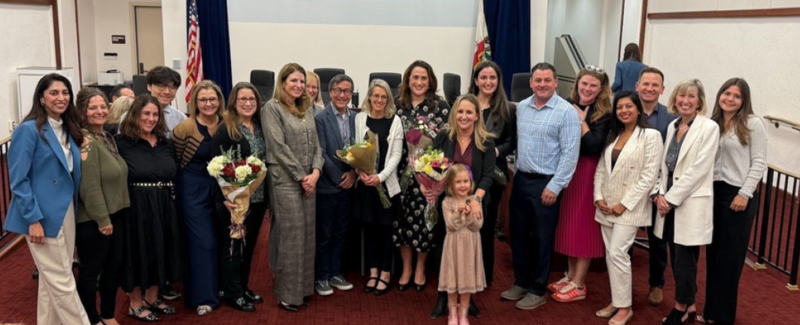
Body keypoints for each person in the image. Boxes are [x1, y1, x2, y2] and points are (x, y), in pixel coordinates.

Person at [4, 73, 90, 325]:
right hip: (41, 215)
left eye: (65, 93)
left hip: (67, 210)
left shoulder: (68, 127)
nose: (61, 98)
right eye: (54, 93)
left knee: (51, 280)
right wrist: (33, 219)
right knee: (62, 279)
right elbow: (18, 181)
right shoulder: (28, 130)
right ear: (41, 98)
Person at [501, 62, 580, 310]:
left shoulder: (566, 112)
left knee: (542, 239)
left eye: (547, 80)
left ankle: (537, 288)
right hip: (522, 179)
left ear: (556, 82)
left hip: (547, 183)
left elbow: (570, 154)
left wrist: (555, 186)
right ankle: (521, 281)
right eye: (538, 80)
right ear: (531, 83)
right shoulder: (521, 108)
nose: (542, 85)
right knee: (518, 235)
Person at [698, 78, 767, 325]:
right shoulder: (712, 123)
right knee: (714, 255)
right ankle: (710, 312)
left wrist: (744, 193)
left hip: (739, 195)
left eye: (736, 96)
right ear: (719, 95)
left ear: (744, 100)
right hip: (713, 192)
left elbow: (759, 162)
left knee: (730, 259)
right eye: (727, 93)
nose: (730, 99)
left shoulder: (752, 123)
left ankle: (723, 317)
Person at [593, 91, 663, 325]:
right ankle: (617, 300)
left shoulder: (650, 136)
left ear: (638, 109)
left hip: (629, 207)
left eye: (629, 106)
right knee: (610, 256)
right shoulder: (614, 134)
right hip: (607, 205)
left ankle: (625, 308)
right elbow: (601, 169)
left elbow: (649, 176)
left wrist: (625, 204)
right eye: (619, 107)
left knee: (618, 253)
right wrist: (598, 198)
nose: (624, 110)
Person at [653, 79, 719, 325]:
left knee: (685, 259)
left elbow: (699, 169)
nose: (685, 101)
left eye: (691, 97)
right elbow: (665, 167)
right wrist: (659, 194)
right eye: (681, 96)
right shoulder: (672, 126)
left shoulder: (709, 128)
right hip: (668, 200)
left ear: (699, 101)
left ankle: (680, 305)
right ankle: (689, 303)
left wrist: (669, 198)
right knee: (675, 256)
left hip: (689, 201)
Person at [262, 63, 323, 312]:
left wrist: (316, 172)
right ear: (283, 83)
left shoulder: (306, 108)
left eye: (301, 81)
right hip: (286, 182)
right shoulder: (272, 109)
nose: (298, 86)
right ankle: (287, 294)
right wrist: (302, 177)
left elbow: (318, 146)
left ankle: (302, 289)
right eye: (293, 81)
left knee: (307, 235)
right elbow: (278, 147)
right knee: (290, 236)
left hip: (309, 181)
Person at [551, 65, 613, 302]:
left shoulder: (605, 112)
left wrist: (582, 123)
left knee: (583, 226)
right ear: (577, 83)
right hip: (568, 170)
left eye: (593, 85)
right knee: (569, 224)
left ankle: (579, 283)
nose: (587, 89)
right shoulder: (566, 103)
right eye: (584, 84)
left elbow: (593, 146)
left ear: (601, 88)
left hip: (588, 173)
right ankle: (570, 275)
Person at [117, 94, 182, 321]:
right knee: (137, 250)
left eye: (155, 114)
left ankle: (153, 297)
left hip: (164, 203)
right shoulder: (122, 143)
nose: (151, 118)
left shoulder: (166, 143)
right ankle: (135, 303)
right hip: (136, 206)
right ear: (135, 114)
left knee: (160, 247)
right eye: (146, 113)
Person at [431, 94, 496, 318]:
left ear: (477, 115)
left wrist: (474, 200)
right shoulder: (443, 136)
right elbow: (432, 167)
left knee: (472, 250)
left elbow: (488, 176)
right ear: (454, 114)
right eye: (460, 111)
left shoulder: (486, 141)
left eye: (469, 112)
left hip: (475, 201)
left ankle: (469, 297)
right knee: (443, 248)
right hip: (446, 202)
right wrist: (428, 187)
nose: (464, 116)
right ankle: (443, 296)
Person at [393, 60, 450, 300]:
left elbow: (447, 141)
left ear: (430, 81)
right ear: (407, 80)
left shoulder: (441, 107)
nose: (418, 82)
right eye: (415, 77)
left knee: (425, 222)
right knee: (402, 221)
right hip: (399, 173)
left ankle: (420, 268)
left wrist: (432, 175)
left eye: (423, 78)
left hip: (428, 175)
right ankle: (406, 268)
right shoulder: (397, 106)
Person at [75, 87, 130, 325]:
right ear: (82, 112)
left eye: (103, 106)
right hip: (94, 219)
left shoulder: (105, 136)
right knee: (90, 272)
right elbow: (89, 186)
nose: (100, 111)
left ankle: (108, 314)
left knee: (113, 268)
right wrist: (102, 220)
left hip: (115, 213)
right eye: (93, 107)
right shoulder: (85, 139)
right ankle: (91, 318)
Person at [213, 82, 268, 312]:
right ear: (234, 102)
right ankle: (233, 293)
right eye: (243, 99)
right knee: (234, 246)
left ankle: (243, 286)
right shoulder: (227, 128)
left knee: (250, 245)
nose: (247, 103)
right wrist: (224, 198)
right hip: (235, 201)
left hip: (259, 198)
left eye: (252, 100)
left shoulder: (260, 126)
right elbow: (216, 166)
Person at [172, 80, 225, 315]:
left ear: (219, 101)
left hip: (222, 188)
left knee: (223, 239)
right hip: (192, 188)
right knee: (203, 243)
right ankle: (203, 297)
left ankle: (219, 287)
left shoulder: (226, 124)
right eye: (203, 99)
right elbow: (176, 159)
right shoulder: (186, 127)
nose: (208, 103)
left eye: (212, 99)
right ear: (195, 102)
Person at [468, 60, 516, 287]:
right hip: (465, 175)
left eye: (492, 78)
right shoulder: (465, 104)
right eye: (483, 78)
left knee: (485, 226)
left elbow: (511, 142)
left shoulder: (507, 109)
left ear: (498, 81)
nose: (488, 82)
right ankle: (463, 272)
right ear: (476, 80)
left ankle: (484, 275)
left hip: (493, 176)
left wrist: (495, 151)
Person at [353, 79, 404, 295]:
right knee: (369, 230)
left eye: (384, 97)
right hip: (365, 186)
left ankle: (385, 273)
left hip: (386, 186)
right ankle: (373, 272)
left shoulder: (395, 121)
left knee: (385, 231)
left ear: (388, 99)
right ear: (370, 97)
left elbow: (396, 155)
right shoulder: (360, 118)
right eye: (376, 96)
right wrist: (361, 172)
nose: (379, 100)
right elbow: (358, 148)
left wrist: (380, 177)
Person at [634, 66, 676, 306]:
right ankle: (621, 284)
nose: (649, 88)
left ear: (662, 89)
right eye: (645, 84)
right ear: (637, 86)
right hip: (629, 185)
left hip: (657, 187)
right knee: (624, 238)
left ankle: (656, 284)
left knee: (658, 239)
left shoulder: (670, 117)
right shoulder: (626, 108)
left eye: (655, 85)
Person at [314, 74, 357, 296]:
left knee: (341, 232)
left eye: (347, 91)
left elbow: (361, 148)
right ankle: (321, 276)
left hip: (349, 184)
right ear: (330, 92)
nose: (343, 95)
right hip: (328, 186)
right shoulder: (321, 118)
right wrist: (339, 178)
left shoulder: (356, 118)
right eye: (339, 90)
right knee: (325, 233)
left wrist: (353, 173)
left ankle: (335, 272)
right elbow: (320, 152)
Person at [439, 164, 486, 325]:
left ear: (471, 183)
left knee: (466, 280)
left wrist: (470, 214)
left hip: (470, 246)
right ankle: (452, 312)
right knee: (453, 280)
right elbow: (450, 226)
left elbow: (477, 226)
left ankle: (463, 313)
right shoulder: (447, 202)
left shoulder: (474, 201)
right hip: (453, 245)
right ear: (451, 184)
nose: (463, 185)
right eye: (458, 182)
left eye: (466, 181)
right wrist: (459, 214)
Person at [119, 66, 187, 142]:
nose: (167, 92)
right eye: (161, 86)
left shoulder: (181, 119)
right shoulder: (130, 115)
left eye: (172, 87)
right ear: (149, 86)